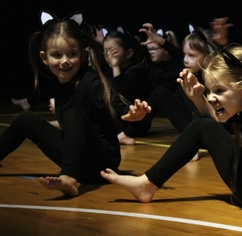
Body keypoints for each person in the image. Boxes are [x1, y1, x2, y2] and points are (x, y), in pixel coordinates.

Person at [100, 44, 242, 235]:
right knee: (203, 125)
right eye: (209, 90)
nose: (212, 97)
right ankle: (146, 184)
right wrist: (198, 99)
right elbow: (215, 125)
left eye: (219, 91)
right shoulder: (241, 110)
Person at [0, 11, 151, 197]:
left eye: (72, 54)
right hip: (80, 160)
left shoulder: (91, 82)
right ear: (44, 58)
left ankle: (70, 179)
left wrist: (134, 115)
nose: (64, 61)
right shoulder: (60, 84)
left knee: (73, 114)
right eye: (57, 55)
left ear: (82, 54)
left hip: (102, 166)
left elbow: (120, 108)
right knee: (25, 120)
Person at [102, 27, 153, 145]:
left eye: (113, 51)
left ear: (128, 53)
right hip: (116, 123)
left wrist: (115, 67)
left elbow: (121, 97)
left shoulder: (135, 72)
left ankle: (125, 135)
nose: (108, 55)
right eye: (105, 51)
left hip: (135, 123)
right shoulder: (108, 73)